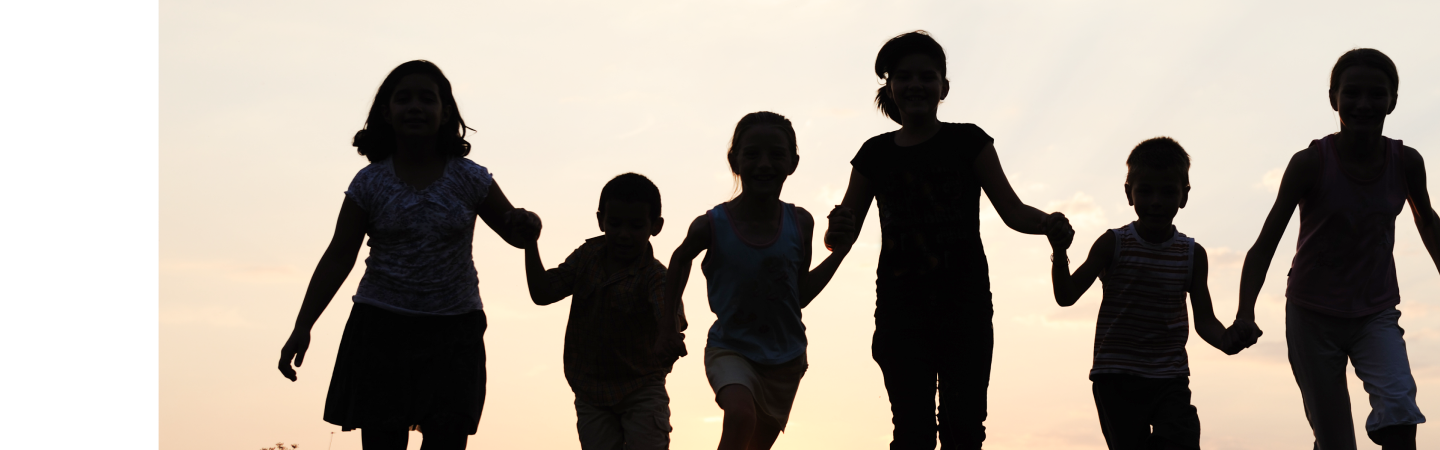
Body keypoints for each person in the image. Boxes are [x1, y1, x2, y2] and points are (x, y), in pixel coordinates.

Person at [822, 30, 1071, 449]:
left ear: (944, 87)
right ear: (891, 87)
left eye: (927, 76)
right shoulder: (873, 155)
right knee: (912, 432)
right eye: (904, 77)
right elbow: (842, 235)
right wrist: (835, 230)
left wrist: (1049, 222)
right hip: (901, 313)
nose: (915, 84)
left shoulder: (968, 141)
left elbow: (1012, 211)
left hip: (965, 310)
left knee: (964, 430)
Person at [275, 60, 541, 450]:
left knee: (448, 437)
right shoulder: (369, 183)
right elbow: (338, 257)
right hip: (381, 329)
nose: (415, 107)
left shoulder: (471, 177)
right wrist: (303, 325)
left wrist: (528, 222)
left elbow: (516, 233)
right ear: (386, 112)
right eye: (403, 99)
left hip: (455, 331)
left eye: (426, 99)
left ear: (445, 111)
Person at [1235, 48, 1437, 450]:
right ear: (1334, 99)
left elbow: (1428, 222)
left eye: (1376, 94)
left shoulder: (1406, 162)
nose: (1364, 104)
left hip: (1375, 312)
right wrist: (1244, 313)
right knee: (1335, 442)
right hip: (1313, 316)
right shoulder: (1311, 163)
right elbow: (1265, 244)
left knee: (1399, 412)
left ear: (1393, 101)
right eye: (1352, 93)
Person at [1046, 137, 1261, 450]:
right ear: (1129, 193)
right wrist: (1059, 252)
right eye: (1145, 191)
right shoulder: (1113, 244)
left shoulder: (1192, 254)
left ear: (1184, 196)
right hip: (1116, 378)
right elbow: (1066, 295)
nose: (1156, 201)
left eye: (1167, 191)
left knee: (1182, 439)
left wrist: (1228, 340)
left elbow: (1205, 321)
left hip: (1169, 379)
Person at [658, 112, 848, 450]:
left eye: (776, 154)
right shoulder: (712, 225)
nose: (764, 164)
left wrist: (838, 254)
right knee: (741, 416)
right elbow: (680, 257)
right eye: (752, 154)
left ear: (793, 162)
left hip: (786, 359)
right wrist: (668, 325)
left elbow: (799, 295)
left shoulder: (800, 223)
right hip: (730, 349)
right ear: (734, 160)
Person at [518, 173, 681, 450]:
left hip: (641, 387)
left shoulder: (656, 277)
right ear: (600, 220)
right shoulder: (587, 257)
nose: (624, 234)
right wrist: (529, 243)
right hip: (591, 390)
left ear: (656, 226)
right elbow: (543, 292)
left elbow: (667, 316)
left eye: (636, 225)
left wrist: (669, 335)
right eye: (615, 223)